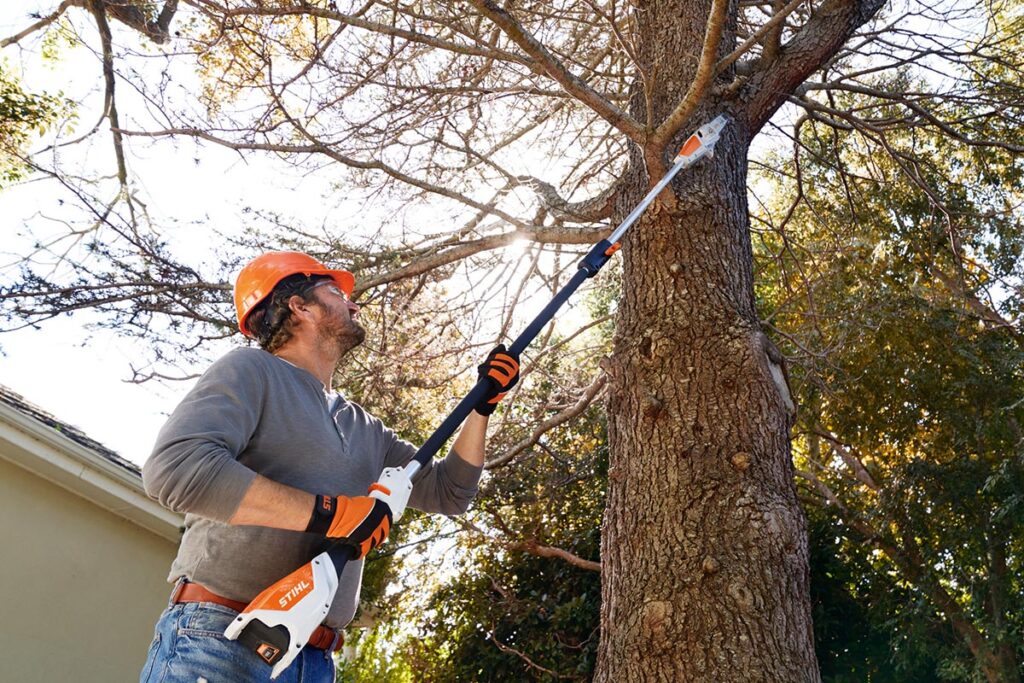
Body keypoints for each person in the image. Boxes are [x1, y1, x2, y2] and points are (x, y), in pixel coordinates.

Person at [139, 251, 519, 683]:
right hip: (221, 642)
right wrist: (331, 513)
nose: (354, 304)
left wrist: (482, 407)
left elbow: (452, 492)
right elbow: (175, 469)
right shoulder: (251, 370)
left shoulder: (365, 428)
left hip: (314, 660)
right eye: (336, 292)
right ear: (299, 306)